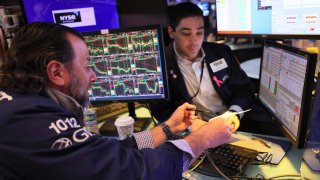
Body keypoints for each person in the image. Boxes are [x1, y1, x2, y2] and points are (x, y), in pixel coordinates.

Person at [0, 22, 233, 179]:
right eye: (86, 64)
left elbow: (108, 152)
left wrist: (168, 127)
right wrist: (201, 139)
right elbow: (131, 171)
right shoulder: (33, 124)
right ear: (56, 72)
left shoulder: (23, 105)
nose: (93, 76)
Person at [150, 2, 255, 132]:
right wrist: (190, 124)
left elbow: (245, 90)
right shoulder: (159, 63)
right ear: (171, 32)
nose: (194, 41)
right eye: (186, 33)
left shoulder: (222, 52)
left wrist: (234, 113)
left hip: (234, 126)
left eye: (199, 32)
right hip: (193, 131)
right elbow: (161, 110)